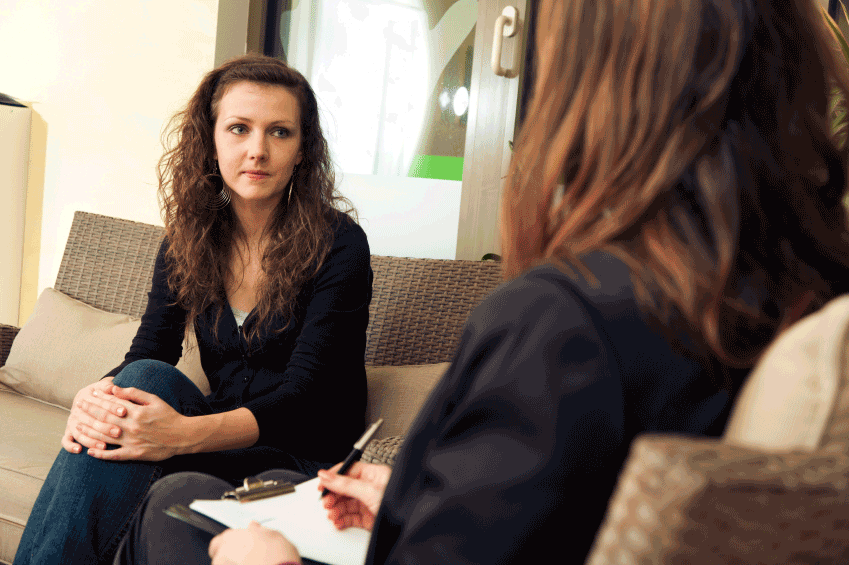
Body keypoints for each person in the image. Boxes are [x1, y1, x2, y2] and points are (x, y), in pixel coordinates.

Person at [115, 0, 849, 562]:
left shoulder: (567, 324)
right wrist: (407, 498)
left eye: (280, 131)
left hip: (286, 452)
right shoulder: (796, 298)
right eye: (238, 129)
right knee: (152, 435)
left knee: (172, 504)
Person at [14, 54, 373, 565]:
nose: (257, 150)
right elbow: (151, 347)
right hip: (219, 443)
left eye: (279, 132)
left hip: (300, 456)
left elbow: (305, 397)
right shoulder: (190, 238)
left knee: (161, 455)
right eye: (239, 128)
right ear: (211, 141)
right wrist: (92, 399)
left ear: (302, 151)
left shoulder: (339, 244)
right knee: (136, 384)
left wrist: (179, 435)